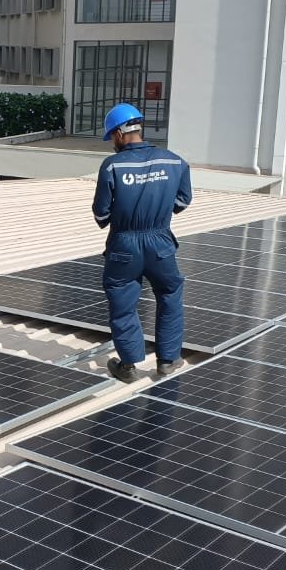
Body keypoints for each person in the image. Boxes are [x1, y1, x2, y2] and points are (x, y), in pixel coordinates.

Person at [92, 102, 192, 382]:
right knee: (170, 295)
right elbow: (183, 201)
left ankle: (128, 366)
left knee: (123, 302)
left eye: (111, 136)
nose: (112, 143)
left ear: (120, 133)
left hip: (124, 245)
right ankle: (168, 361)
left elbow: (101, 212)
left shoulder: (112, 166)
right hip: (160, 242)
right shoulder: (174, 161)